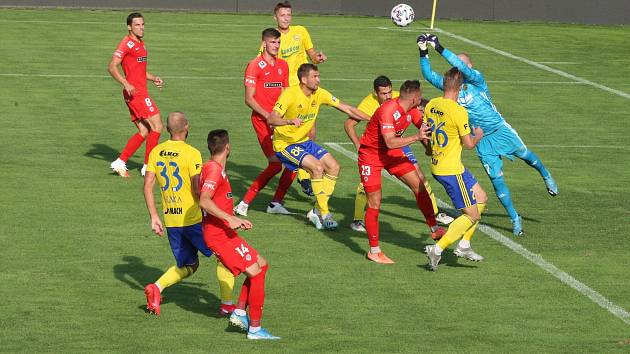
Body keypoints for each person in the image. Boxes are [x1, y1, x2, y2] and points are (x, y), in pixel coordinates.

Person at [418, 33, 558, 236]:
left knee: (526, 155)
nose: (458, 68)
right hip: (482, 138)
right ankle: (514, 218)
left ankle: (546, 176)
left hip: (500, 130)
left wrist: (439, 47)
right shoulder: (452, 87)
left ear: (470, 67)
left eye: (462, 65)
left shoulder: (477, 81)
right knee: (497, 181)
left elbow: (462, 67)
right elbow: (428, 75)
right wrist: (423, 51)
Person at [142, 112, 235, 316]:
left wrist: (154, 217)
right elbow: (196, 189)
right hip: (193, 218)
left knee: (190, 264)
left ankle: (156, 288)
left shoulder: (156, 151)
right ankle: (228, 306)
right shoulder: (192, 153)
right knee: (226, 257)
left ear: (167, 129)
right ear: (187, 128)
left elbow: (147, 185)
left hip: (171, 219)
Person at [344, 75, 454, 233]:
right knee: (370, 193)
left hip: (397, 145)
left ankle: (434, 220)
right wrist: (357, 144)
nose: (388, 96)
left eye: (389, 92)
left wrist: (430, 147)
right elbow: (349, 124)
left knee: (420, 181)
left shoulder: (403, 99)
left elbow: (420, 126)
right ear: (376, 93)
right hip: (374, 151)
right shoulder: (370, 104)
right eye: (383, 94)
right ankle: (359, 221)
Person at [266, 63, 368, 230]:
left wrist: (373, 119)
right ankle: (325, 214)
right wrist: (289, 121)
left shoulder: (319, 93)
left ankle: (316, 210)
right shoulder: (290, 94)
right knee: (317, 168)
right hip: (285, 144)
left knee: (334, 167)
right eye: (315, 77)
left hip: (304, 141)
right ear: (304, 79)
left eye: (318, 76)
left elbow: (347, 108)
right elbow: (271, 119)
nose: (318, 80)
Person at [199, 129, 279, 340]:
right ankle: (254, 328)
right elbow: (204, 200)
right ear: (228, 147)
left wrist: (233, 217)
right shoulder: (214, 170)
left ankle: (240, 313)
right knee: (256, 272)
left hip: (224, 231)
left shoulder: (213, 168)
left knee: (262, 264)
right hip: (218, 235)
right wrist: (229, 218)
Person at [355, 80, 446, 264]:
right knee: (375, 201)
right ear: (414, 98)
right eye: (420, 96)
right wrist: (416, 137)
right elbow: (389, 141)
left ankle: (434, 228)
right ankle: (374, 251)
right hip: (371, 155)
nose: (421, 99)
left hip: (391, 153)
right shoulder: (388, 111)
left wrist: (429, 147)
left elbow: (424, 131)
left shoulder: (411, 110)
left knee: (419, 185)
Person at [423, 68, 488, 271]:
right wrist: (478, 134)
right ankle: (438, 249)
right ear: (459, 88)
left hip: (441, 163)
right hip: (450, 170)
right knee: (472, 215)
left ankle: (464, 244)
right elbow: (468, 144)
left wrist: (429, 148)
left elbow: (425, 133)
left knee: (482, 198)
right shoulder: (459, 111)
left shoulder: (432, 104)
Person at [266, 1, 328, 195]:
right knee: (292, 135)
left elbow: (312, 55)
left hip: (307, 89)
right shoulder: (272, 39)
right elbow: (268, 63)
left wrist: (318, 58)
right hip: (289, 93)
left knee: (310, 132)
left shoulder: (301, 31)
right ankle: (304, 176)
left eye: (289, 15)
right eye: (282, 15)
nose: (286, 18)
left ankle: (305, 173)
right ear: (275, 17)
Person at [234, 28, 296, 217]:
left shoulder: (283, 66)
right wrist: (268, 116)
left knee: (294, 162)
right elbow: (249, 99)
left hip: (280, 122)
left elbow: (286, 93)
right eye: (272, 42)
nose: (276, 46)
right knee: (276, 164)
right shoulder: (254, 65)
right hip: (262, 121)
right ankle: (243, 203)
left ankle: (275, 203)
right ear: (264, 44)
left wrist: (288, 119)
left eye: (278, 43)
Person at [108, 12, 164, 178]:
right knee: (158, 125)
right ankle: (148, 167)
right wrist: (125, 83)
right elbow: (112, 67)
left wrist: (153, 78)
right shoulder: (126, 44)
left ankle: (120, 161)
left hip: (139, 91)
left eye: (143, 24)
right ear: (129, 27)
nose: (141, 27)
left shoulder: (141, 43)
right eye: (137, 25)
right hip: (136, 93)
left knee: (145, 130)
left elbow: (139, 69)